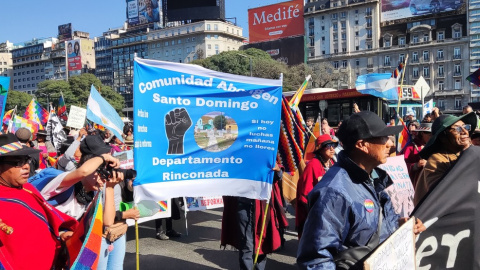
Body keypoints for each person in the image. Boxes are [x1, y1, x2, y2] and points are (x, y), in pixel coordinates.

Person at [297, 111, 425, 269]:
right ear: (362, 145)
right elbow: (316, 260)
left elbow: (370, 228)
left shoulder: (374, 178)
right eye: (383, 138)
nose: (390, 144)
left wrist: (400, 227)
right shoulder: (333, 192)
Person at [0, 134, 78, 269]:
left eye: (27, 160)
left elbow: (49, 219)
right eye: (17, 162)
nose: (26, 167)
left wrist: (62, 233)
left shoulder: (28, 189)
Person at [221, 164, 288, 270]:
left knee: (261, 243)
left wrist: (277, 170)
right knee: (246, 245)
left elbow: (276, 177)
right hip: (243, 205)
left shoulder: (265, 150)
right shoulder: (237, 154)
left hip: (262, 206)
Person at [414, 112, 477, 205]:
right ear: (443, 137)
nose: (465, 131)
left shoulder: (467, 152)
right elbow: (441, 196)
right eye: (458, 129)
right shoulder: (436, 160)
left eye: (466, 127)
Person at [296, 134, 337, 239]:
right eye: (328, 146)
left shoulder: (332, 162)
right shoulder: (313, 165)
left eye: (333, 145)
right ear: (320, 149)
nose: (332, 148)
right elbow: (304, 194)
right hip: (315, 212)